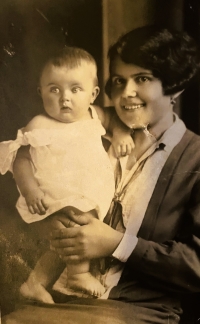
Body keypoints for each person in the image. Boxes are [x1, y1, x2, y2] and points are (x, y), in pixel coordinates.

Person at [2, 25, 200, 324]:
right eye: (119, 80)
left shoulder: (195, 157)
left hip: (138, 311)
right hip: (58, 298)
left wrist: (117, 243)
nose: (125, 93)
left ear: (174, 87)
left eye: (142, 79)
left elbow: (197, 265)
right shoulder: (84, 126)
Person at [0, 46, 133, 303]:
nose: (65, 98)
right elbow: (21, 160)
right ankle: (78, 274)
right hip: (54, 195)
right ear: (41, 92)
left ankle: (36, 282)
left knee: (64, 241)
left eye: (75, 89)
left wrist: (120, 134)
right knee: (72, 230)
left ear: (93, 94)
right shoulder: (39, 124)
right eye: (54, 89)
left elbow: (116, 120)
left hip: (86, 193)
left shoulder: (95, 115)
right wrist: (31, 190)